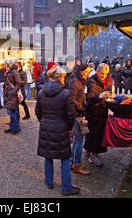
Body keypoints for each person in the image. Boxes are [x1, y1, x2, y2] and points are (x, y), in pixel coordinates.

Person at [35, 65, 80, 196]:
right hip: (61, 127)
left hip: (46, 125)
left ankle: (49, 181)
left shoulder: (41, 92)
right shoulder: (65, 94)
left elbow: (38, 111)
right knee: (65, 157)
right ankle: (66, 187)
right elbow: (71, 114)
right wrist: (68, 127)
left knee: (48, 155)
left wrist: (43, 122)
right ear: (60, 77)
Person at [85, 63, 112, 167]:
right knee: (94, 134)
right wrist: (100, 96)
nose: (103, 75)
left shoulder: (103, 81)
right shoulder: (92, 82)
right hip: (94, 112)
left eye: (105, 74)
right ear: (97, 71)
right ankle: (93, 155)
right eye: (101, 73)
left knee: (95, 134)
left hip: (101, 111)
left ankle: (89, 151)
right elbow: (89, 99)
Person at [68, 63, 91, 176]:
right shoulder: (75, 81)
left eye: (88, 72)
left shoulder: (78, 80)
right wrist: (82, 107)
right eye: (85, 72)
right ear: (80, 70)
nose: (87, 74)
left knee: (77, 139)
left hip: (77, 112)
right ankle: (77, 165)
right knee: (80, 139)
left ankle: (72, 162)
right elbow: (72, 99)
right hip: (76, 114)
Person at [3, 58, 22, 134]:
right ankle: (13, 127)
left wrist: (13, 92)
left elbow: (18, 83)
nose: (4, 65)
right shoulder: (9, 72)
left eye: (5, 64)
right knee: (12, 110)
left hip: (12, 94)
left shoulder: (14, 72)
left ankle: (16, 127)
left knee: (12, 111)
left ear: (8, 64)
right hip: (9, 93)